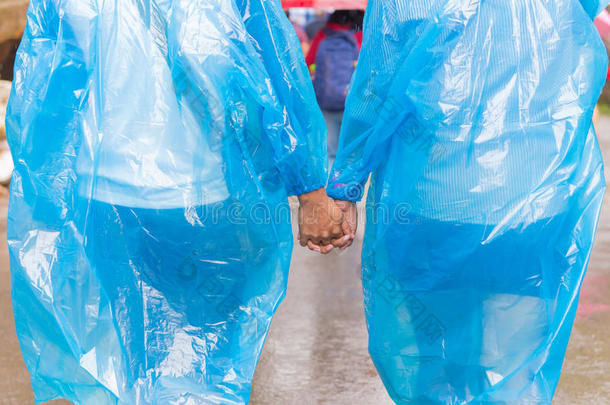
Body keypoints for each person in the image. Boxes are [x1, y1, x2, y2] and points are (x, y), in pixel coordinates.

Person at [6, 0, 349, 404]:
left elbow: (43, 97)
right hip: (199, 203)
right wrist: (309, 186)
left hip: (110, 203)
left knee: (136, 361)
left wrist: (44, 200)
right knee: (203, 364)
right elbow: (278, 73)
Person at [328, 0, 608, 403]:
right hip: (537, 207)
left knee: (437, 370)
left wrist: (345, 184)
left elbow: (379, 85)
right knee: (515, 373)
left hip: (435, 206)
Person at [306, 9, 364, 160]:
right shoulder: (359, 35)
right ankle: (346, 183)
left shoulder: (322, 35)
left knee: (330, 149)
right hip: (352, 100)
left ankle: (330, 182)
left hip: (326, 98)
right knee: (350, 151)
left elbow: (308, 63)